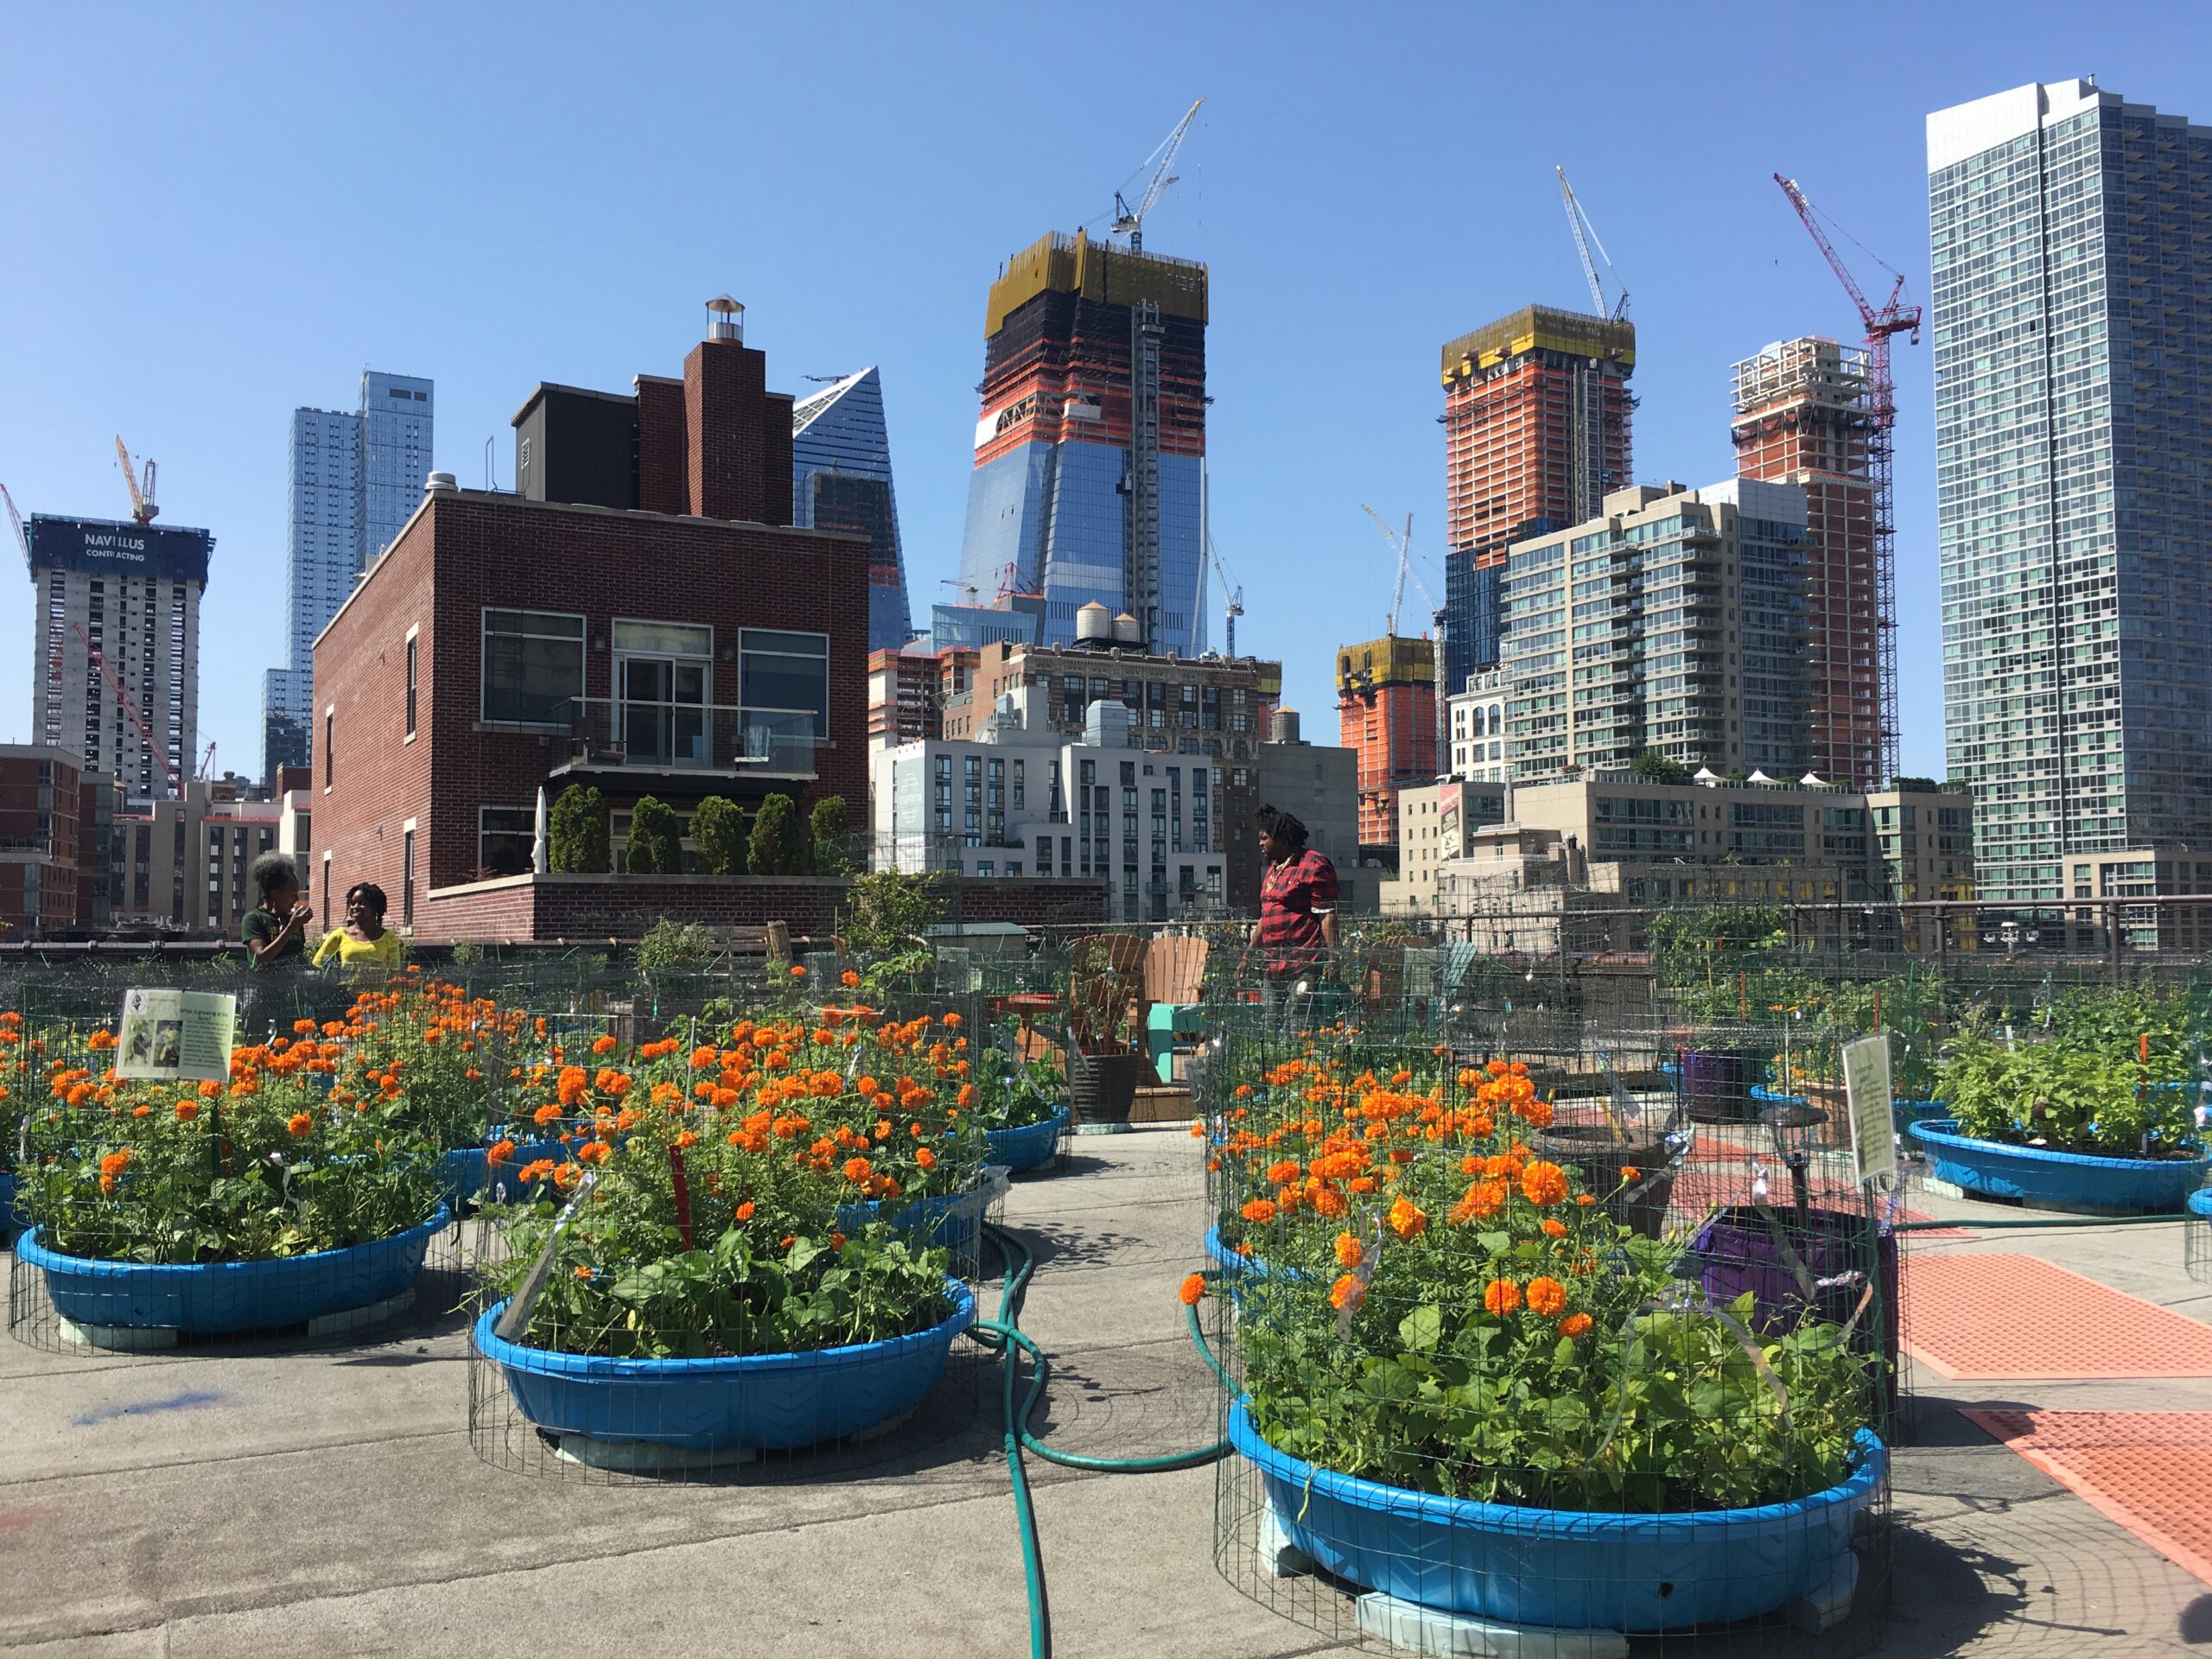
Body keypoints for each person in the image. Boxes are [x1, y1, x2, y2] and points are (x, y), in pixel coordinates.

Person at [1243, 804, 1338, 1027]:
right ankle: (1274, 1061)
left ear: (1281, 837)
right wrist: (1248, 953)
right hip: (1274, 965)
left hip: (1304, 962)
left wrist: (1334, 957)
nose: (1260, 844)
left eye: (1264, 838)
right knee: (1270, 1020)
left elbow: (1327, 915)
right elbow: (1266, 917)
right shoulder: (1274, 870)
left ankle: (1300, 1059)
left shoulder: (1314, 865)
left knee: (1299, 1016)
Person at [311, 881, 402, 977]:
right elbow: (317, 963)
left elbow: (395, 972)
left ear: (375, 907)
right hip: (345, 991)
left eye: (362, 903)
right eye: (353, 903)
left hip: (377, 992)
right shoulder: (340, 935)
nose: (355, 907)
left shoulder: (388, 937)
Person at [242, 852, 313, 970]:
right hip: (265, 987)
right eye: (292, 894)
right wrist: (290, 928)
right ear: (275, 894)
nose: (296, 899)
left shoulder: (292, 920)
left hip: (292, 987)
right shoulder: (253, 919)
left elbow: (299, 957)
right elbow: (262, 958)